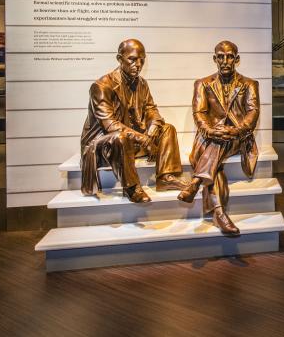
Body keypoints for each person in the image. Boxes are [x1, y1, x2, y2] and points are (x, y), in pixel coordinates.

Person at [80, 39, 185, 202]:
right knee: (121, 138)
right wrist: (143, 139)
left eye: (142, 60)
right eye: (133, 59)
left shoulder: (142, 83)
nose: (138, 64)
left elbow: (151, 110)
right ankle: (132, 187)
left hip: (131, 140)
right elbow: (110, 125)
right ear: (119, 58)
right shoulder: (101, 86)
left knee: (167, 129)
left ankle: (165, 176)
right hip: (104, 143)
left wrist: (154, 126)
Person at [178, 40, 260, 236]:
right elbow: (199, 113)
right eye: (221, 57)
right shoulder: (202, 84)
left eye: (230, 56)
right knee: (216, 148)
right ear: (214, 59)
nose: (225, 61)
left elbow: (253, 113)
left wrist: (236, 131)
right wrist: (210, 130)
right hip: (210, 137)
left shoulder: (249, 84)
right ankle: (219, 214)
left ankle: (196, 182)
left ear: (237, 59)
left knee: (219, 140)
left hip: (238, 138)